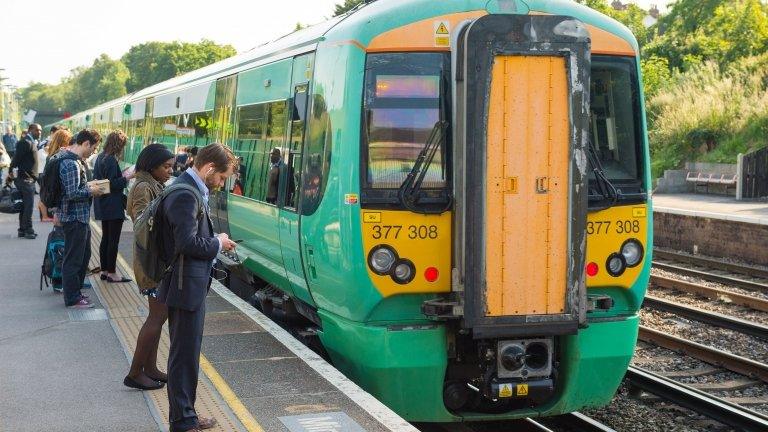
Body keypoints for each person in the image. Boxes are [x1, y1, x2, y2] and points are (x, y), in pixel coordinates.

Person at [157, 143, 237, 432]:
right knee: (183, 355)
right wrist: (218, 244)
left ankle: (186, 414)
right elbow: (186, 243)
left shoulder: (189, 189)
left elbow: (189, 235)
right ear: (209, 169)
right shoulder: (185, 194)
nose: (222, 183)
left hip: (187, 282)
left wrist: (215, 237)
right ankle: (182, 421)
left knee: (188, 353)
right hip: (183, 284)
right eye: (223, 177)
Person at [124, 143, 175, 391]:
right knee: (157, 316)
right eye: (166, 167)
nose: (169, 171)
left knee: (158, 316)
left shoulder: (150, 184)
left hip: (153, 261)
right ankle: (135, 372)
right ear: (152, 166)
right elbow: (143, 225)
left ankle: (151, 368)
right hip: (151, 263)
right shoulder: (144, 187)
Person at [57, 129, 105, 309]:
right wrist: (91, 190)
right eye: (93, 148)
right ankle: (72, 298)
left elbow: (74, 188)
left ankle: (75, 292)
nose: (93, 152)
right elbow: (71, 193)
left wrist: (88, 186)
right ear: (85, 143)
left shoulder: (74, 161)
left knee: (83, 256)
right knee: (73, 259)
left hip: (80, 217)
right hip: (74, 217)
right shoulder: (70, 163)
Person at [93, 130, 134, 283]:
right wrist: (128, 176)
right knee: (113, 241)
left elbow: (104, 181)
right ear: (118, 145)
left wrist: (121, 175)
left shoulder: (100, 158)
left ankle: (104, 270)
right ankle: (112, 273)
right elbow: (112, 184)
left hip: (103, 203)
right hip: (112, 205)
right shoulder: (110, 160)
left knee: (105, 238)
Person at [8, 124, 42, 239]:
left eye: (41, 130)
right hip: (25, 179)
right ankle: (28, 229)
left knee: (24, 206)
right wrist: (10, 171)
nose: (40, 132)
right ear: (31, 130)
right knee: (28, 206)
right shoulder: (25, 142)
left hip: (27, 179)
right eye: (37, 130)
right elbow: (16, 159)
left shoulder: (30, 142)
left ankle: (22, 229)